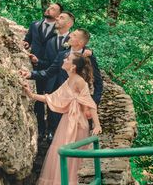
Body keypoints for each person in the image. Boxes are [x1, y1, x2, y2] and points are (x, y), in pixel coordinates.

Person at [23, 53, 102, 185]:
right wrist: (31, 95)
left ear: (72, 66)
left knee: (72, 157)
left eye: (68, 59)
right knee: (60, 152)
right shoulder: (68, 80)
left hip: (78, 123)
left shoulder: (79, 81)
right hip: (67, 121)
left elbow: (91, 104)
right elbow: (52, 98)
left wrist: (97, 125)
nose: (64, 59)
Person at [22, 27, 103, 139]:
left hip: (82, 109)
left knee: (77, 140)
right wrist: (30, 74)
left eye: (73, 35)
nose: (69, 36)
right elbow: (49, 72)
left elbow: (98, 82)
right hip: (62, 103)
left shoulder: (89, 56)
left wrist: (93, 104)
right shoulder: (62, 55)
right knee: (59, 138)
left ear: (80, 42)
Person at [22, 4, 64, 140]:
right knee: (38, 99)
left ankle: (52, 130)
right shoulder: (34, 25)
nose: (48, 9)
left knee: (52, 98)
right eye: (48, 7)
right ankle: (40, 130)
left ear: (58, 15)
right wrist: (26, 44)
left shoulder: (59, 31)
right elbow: (27, 40)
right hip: (36, 67)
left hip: (53, 68)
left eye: (52, 9)